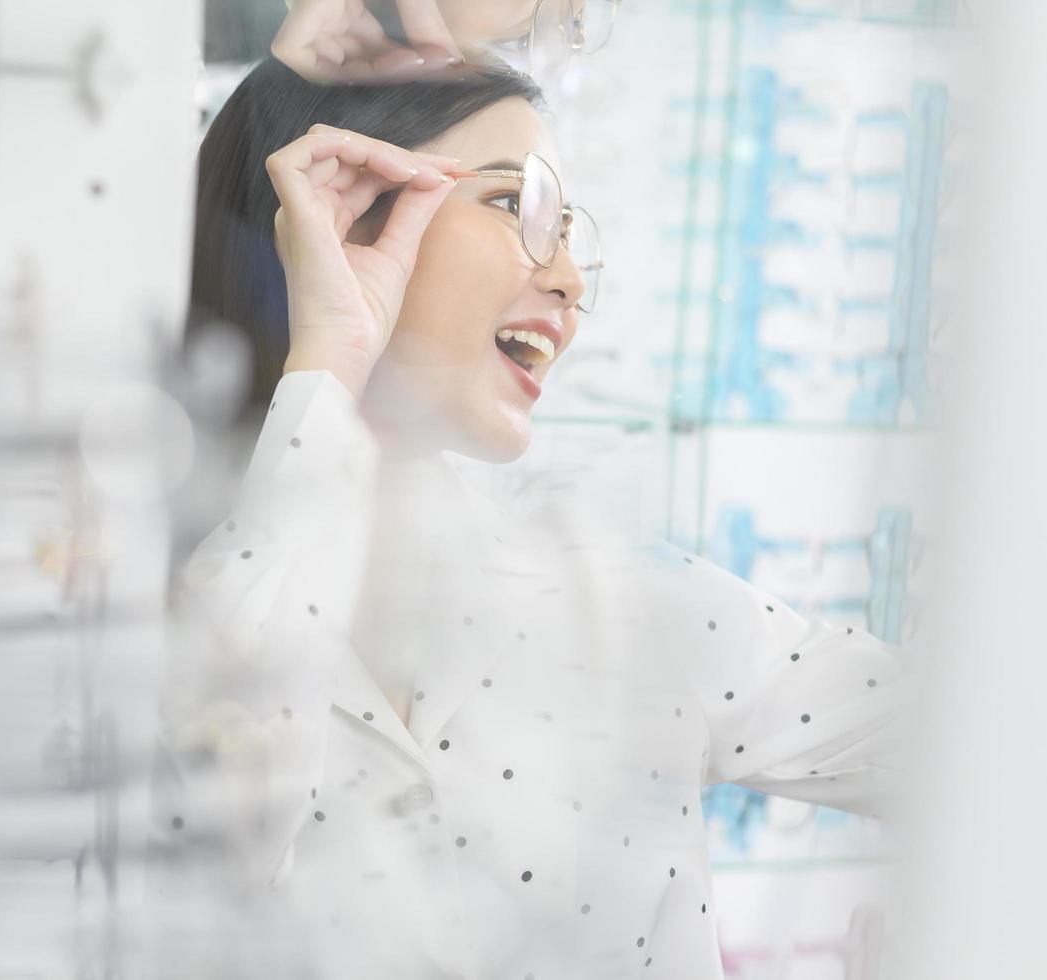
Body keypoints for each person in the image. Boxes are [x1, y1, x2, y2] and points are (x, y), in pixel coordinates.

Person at [151, 55, 913, 979]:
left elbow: (996, 742)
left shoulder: (628, 604)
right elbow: (190, 843)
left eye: (567, 231)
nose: (566, 281)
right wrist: (331, 359)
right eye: (517, 207)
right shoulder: (152, 619)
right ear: (339, 215)